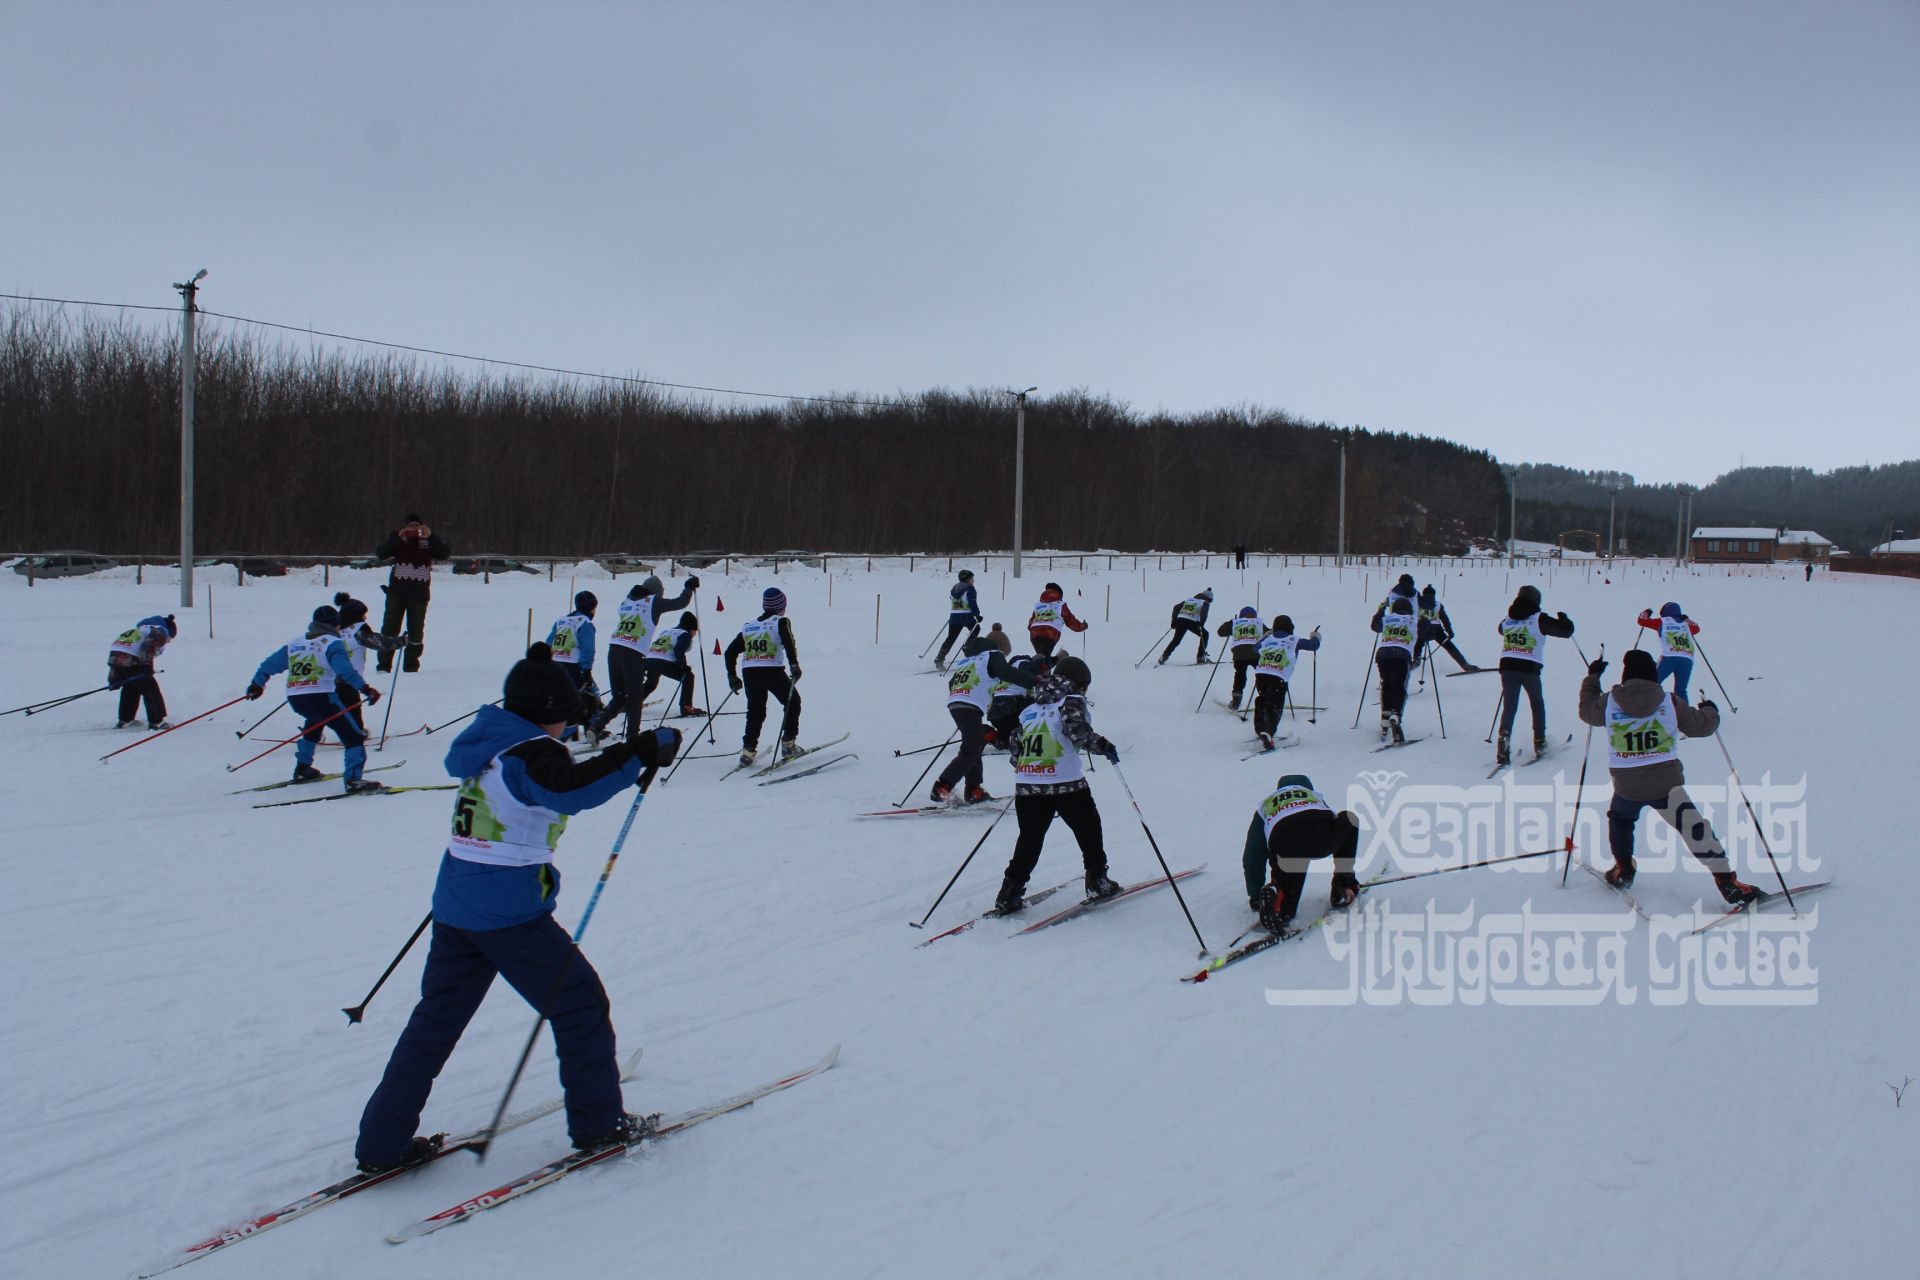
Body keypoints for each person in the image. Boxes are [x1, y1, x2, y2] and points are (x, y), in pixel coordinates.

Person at [353, 644, 683, 1172]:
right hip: (507, 912)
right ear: (550, 713)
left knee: (435, 1020)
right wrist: (639, 752)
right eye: (565, 719)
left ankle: (380, 1143)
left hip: (458, 902)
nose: (567, 731)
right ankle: (600, 1126)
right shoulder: (533, 753)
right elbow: (572, 790)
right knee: (578, 1004)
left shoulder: (489, 741)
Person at [1577, 649, 1758, 904]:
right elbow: (1703, 726)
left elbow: (1586, 710)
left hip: (1627, 786)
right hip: (1667, 785)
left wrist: (1592, 678)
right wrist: (1711, 710)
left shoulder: (1609, 702)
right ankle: (1726, 880)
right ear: (1653, 675)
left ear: (1626, 675)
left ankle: (1623, 868)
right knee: (1694, 827)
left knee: (1620, 820)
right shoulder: (1669, 702)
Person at [994, 656, 1122, 913]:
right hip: (1065, 782)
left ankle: (1010, 890)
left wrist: (1030, 768)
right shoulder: (1070, 700)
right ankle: (1097, 879)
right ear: (1079, 684)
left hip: (1027, 783)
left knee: (1030, 837)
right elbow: (1077, 732)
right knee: (1087, 827)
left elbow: (1016, 744)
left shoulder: (1030, 708)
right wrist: (1104, 746)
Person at [246, 605, 381, 791]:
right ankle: (353, 780)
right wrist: (366, 689)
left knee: (314, 723)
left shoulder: (295, 643)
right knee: (353, 736)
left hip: (296, 698)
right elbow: (345, 670)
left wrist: (257, 685)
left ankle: (303, 768)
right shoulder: (332, 643)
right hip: (322, 696)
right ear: (336, 625)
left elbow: (270, 664)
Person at [1240, 773, 1364, 931]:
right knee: (1349, 819)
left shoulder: (1266, 805)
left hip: (1287, 845)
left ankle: (1278, 902)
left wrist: (1255, 896)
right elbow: (1332, 821)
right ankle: (1343, 885)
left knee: (1286, 909)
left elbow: (1253, 857)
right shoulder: (1312, 796)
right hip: (1322, 837)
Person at [931, 634, 1034, 804]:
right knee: (971, 750)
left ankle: (973, 789)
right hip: (970, 705)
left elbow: (952, 683)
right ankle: (943, 786)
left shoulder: (967, 662)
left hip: (956, 703)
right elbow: (1006, 672)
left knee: (975, 745)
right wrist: (1033, 681)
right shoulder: (993, 655)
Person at [595, 575, 698, 738]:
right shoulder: (653, 602)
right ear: (657, 592)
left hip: (614, 648)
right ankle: (633, 736)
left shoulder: (627, 600)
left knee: (620, 696)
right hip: (632, 652)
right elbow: (680, 603)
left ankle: (595, 728)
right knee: (634, 697)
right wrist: (688, 588)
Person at [1494, 585, 1575, 765]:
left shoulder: (1507, 618)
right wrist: (1565, 619)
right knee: (1537, 704)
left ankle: (1504, 737)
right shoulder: (1539, 619)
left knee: (1510, 705)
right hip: (1528, 667)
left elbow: (1501, 629)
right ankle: (1539, 742)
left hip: (1507, 665)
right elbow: (1566, 632)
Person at [724, 587, 803, 767]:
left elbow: (730, 652)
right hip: (771, 670)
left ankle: (748, 750)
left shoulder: (749, 626)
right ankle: (789, 743)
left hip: (750, 672)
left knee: (755, 711)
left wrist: (732, 676)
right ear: (781, 606)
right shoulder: (780, 621)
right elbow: (789, 641)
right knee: (793, 702)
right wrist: (794, 665)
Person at [373, 514, 451, 674]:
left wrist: (431, 536)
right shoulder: (398, 540)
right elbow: (381, 553)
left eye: (417, 525)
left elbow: (444, 554)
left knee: (416, 631)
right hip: (396, 593)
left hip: (419, 594)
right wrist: (397, 537)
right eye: (410, 526)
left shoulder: (428, 542)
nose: (414, 529)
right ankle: (384, 665)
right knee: (389, 627)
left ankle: (411, 665)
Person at [334, 593, 409, 732]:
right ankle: (356, 733)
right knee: (352, 705)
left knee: (329, 706)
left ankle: (314, 733)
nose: (365, 617)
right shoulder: (358, 629)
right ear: (355, 616)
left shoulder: (337, 631)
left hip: (330, 677)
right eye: (363, 615)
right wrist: (400, 641)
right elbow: (379, 643)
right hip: (349, 678)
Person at [1251, 616, 1319, 750]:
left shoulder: (1269, 638)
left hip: (1262, 673)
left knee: (1262, 701)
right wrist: (1315, 636)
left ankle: (1260, 729)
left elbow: (1255, 648)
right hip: (1278, 676)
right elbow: (1313, 646)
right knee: (1275, 704)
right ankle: (1269, 732)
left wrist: (1266, 636)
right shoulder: (1294, 640)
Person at [547, 591, 605, 740]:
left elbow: (549, 642)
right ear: (590, 608)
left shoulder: (561, 620)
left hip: (555, 665)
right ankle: (593, 729)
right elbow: (588, 648)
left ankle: (572, 730)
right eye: (594, 608)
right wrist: (586, 670)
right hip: (573, 667)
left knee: (564, 697)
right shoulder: (585, 623)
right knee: (591, 695)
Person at [108, 613, 176, 729]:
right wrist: (147, 668)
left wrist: (114, 679)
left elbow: (119, 650)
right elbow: (149, 648)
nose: (168, 642)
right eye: (170, 638)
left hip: (115, 657)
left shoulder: (139, 630)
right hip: (131, 659)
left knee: (131, 687)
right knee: (150, 687)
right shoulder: (159, 631)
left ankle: (125, 719)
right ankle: (156, 721)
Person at [636, 612, 702, 722]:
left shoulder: (667, 631)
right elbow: (678, 650)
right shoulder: (685, 634)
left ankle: (633, 703)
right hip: (663, 661)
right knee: (688, 677)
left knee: (651, 683)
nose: (695, 634)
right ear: (692, 628)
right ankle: (686, 706)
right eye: (696, 630)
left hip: (650, 660)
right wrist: (683, 666)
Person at [1369, 596, 1417, 743]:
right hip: (1402, 655)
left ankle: (1385, 715)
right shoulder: (1413, 621)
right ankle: (1396, 713)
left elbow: (1375, 626)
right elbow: (1428, 633)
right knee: (1399, 686)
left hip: (1383, 654)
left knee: (1387, 684)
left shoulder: (1387, 619)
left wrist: (1380, 610)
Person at [1635, 602, 1700, 701]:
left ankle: (1644, 707)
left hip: (1670, 657)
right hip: (1687, 659)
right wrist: (1686, 619)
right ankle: (1684, 714)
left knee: (1652, 683)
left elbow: (1642, 621)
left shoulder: (1662, 621)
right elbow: (1696, 629)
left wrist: (1647, 612)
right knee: (1681, 690)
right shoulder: (1686, 624)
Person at [1412, 585, 1477, 673]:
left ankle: (1416, 659)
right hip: (1437, 631)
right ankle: (1464, 664)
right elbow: (1445, 619)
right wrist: (1450, 632)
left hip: (1422, 629)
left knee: (1419, 643)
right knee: (1450, 646)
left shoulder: (1417, 604)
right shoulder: (1438, 605)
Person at [1215, 606, 1266, 710]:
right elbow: (1269, 634)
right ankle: (1266, 696)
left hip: (1239, 653)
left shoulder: (1236, 622)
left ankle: (1236, 698)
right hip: (1255, 653)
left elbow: (1220, 632)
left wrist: (1231, 622)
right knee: (1262, 674)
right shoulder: (1258, 623)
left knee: (1240, 674)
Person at [933, 569, 983, 668]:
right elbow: (972, 603)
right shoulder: (970, 589)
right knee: (976, 629)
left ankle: (940, 658)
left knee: (951, 638)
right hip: (966, 616)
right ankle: (967, 647)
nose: (973, 580)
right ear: (968, 579)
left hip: (954, 616)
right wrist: (977, 615)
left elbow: (952, 599)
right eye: (972, 578)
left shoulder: (954, 588)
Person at [1026, 583, 1087, 658]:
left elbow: (1031, 623)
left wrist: (1036, 628)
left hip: (1035, 634)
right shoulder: (1060, 604)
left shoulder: (1039, 605)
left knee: (1042, 658)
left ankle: (1042, 665)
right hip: (1050, 633)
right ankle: (1054, 661)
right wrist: (1081, 626)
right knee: (1043, 660)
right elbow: (1069, 620)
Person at [1158, 588, 1214, 665]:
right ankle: (1200, 657)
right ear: (1208, 599)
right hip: (1192, 622)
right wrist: (1201, 624)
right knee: (1205, 635)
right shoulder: (1205, 602)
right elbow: (1204, 614)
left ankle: (1164, 656)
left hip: (1181, 621)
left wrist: (1174, 620)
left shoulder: (1190, 600)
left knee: (1176, 640)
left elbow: (1176, 607)